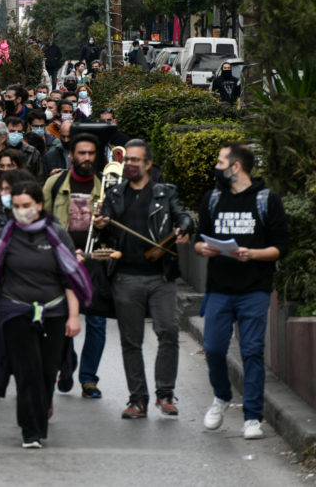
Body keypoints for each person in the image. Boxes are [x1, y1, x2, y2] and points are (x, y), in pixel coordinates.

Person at [93, 139, 193, 420]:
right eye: (127, 160)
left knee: (168, 331)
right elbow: (103, 229)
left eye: (136, 160)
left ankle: (165, 394)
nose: (131, 165)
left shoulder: (165, 193)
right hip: (125, 277)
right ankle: (137, 399)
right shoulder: (114, 194)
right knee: (131, 341)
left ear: (148, 164)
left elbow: (184, 217)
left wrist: (184, 227)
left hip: (160, 276)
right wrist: (101, 224)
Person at [0, 179, 92, 448]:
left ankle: (42, 408)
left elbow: (70, 277)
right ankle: (30, 430)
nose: (22, 210)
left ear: (39, 205)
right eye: (17, 206)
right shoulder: (5, 236)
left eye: (27, 205)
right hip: (15, 310)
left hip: (54, 312)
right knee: (28, 370)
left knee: (47, 370)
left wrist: (73, 316)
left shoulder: (56, 234)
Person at [196, 143, 289, 439]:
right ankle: (222, 396)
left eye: (221, 162)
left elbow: (280, 248)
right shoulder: (212, 199)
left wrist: (253, 254)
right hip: (219, 288)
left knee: (251, 352)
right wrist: (204, 249)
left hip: (254, 289)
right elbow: (198, 241)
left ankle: (252, 417)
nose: (217, 167)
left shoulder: (266, 200)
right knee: (212, 348)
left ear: (235, 167)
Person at [43, 133, 108, 400]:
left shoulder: (107, 187)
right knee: (60, 320)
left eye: (91, 153)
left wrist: (107, 224)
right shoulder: (54, 183)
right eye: (81, 153)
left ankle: (89, 378)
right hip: (61, 264)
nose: (86, 158)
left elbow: (117, 225)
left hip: (94, 264)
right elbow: (41, 222)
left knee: (96, 322)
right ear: (71, 154)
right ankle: (66, 364)